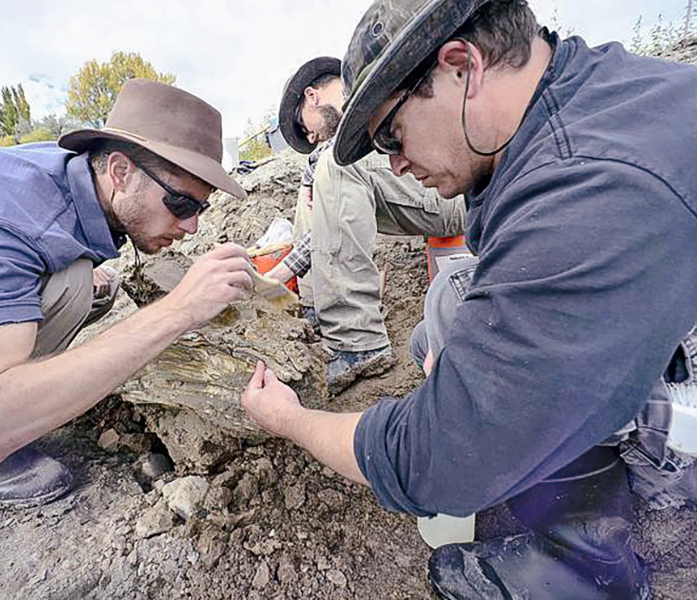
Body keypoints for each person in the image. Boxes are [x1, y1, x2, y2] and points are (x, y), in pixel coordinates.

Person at [242, 1, 697, 597]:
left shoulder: (585, 191)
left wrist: (290, 419)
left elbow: (432, 458)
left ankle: (588, 569)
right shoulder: (587, 92)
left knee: (480, 378)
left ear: (462, 66)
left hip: (684, 431)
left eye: (391, 134)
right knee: (447, 311)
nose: (395, 163)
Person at [0, 78, 254, 508]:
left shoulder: (73, 174)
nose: (192, 225)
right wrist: (179, 309)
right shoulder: (11, 222)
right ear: (120, 171)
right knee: (70, 287)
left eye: (201, 208)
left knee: (87, 283)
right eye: (180, 204)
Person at [269, 56, 467, 394]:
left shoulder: (370, 93)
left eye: (305, 127)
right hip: (428, 190)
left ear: (312, 96)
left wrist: (280, 273)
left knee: (337, 163)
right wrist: (309, 178)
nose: (311, 138)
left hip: (457, 186)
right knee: (315, 187)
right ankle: (318, 314)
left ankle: (356, 342)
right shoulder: (345, 139)